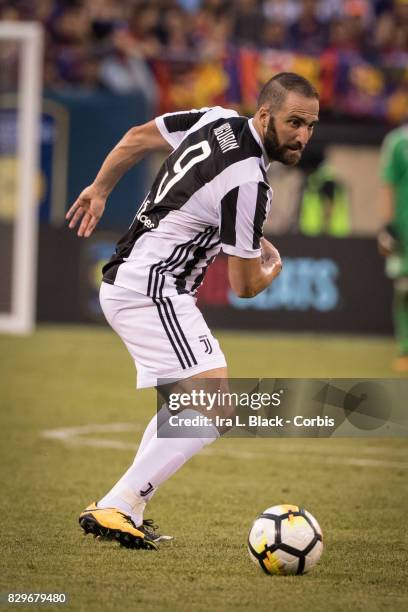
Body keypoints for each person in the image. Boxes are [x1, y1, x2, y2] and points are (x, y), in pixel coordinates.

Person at [66, 71, 319, 550]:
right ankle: (118, 504)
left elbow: (136, 138)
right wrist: (273, 268)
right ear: (265, 115)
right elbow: (244, 285)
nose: (303, 135)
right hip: (152, 287)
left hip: (138, 279)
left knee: (190, 404)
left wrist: (100, 188)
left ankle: (128, 509)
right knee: (212, 404)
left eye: (310, 125)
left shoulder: (217, 118)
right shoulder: (249, 182)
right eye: (293, 122)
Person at [378, 122, 408, 372]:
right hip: (404, 229)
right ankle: (405, 349)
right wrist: (388, 227)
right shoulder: (398, 141)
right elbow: (388, 185)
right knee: (404, 289)